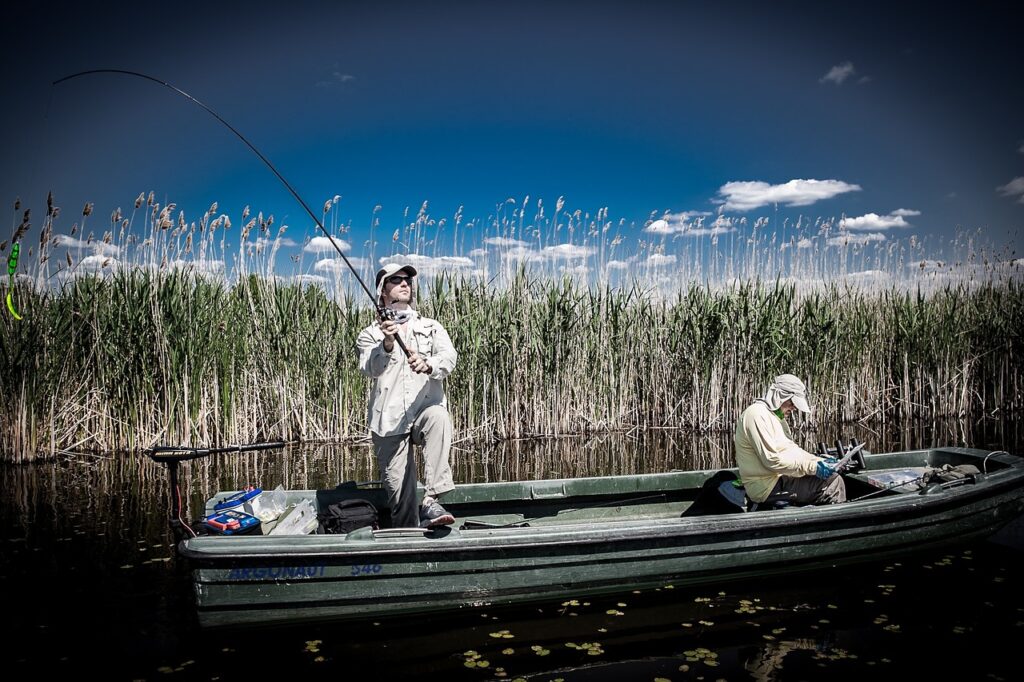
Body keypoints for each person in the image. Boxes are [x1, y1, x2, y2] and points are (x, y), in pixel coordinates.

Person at [356, 263, 459, 528]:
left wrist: (429, 365)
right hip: (389, 422)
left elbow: (449, 357)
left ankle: (432, 499)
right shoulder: (370, 334)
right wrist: (388, 343)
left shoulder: (431, 326)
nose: (405, 284)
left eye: (408, 280)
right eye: (396, 280)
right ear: (382, 292)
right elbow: (371, 368)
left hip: (423, 410)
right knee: (400, 499)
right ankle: (408, 535)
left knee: (439, 416)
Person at [734, 374, 846, 507]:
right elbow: (772, 461)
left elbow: (792, 450)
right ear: (780, 396)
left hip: (780, 478)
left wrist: (819, 461)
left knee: (830, 476)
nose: (794, 408)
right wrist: (813, 468)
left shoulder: (776, 417)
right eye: (792, 402)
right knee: (834, 482)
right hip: (766, 487)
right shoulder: (756, 415)